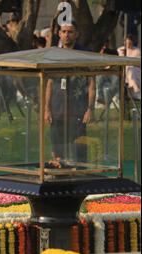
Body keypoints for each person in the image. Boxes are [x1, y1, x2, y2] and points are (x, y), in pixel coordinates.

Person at [44, 21, 95, 165]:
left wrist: (90, 109)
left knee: (79, 145)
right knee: (57, 146)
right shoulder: (54, 55)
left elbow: (92, 83)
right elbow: (49, 82)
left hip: (77, 109)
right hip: (57, 108)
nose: (67, 35)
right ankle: (59, 174)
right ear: (59, 34)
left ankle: (81, 175)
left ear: (77, 34)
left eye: (70, 32)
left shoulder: (84, 55)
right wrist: (47, 108)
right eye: (64, 31)